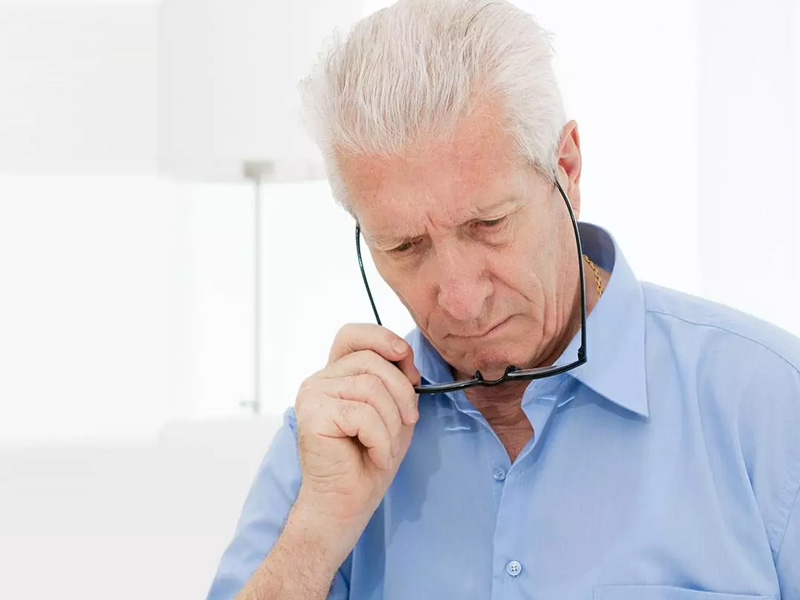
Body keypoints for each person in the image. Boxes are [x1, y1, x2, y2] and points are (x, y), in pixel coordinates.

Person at [206, 0, 800, 598]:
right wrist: (315, 535)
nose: (461, 301)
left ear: (566, 168)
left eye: (488, 224)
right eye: (405, 246)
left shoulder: (771, 405)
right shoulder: (331, 442)